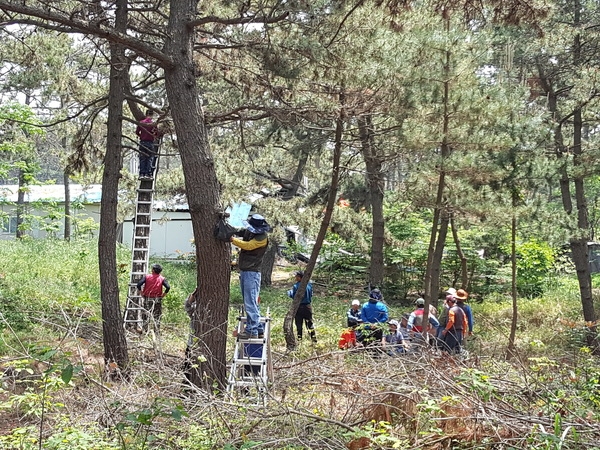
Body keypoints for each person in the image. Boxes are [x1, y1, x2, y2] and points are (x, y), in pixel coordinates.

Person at [230, 214, 271, 339]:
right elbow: (242, 232)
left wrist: (232, 239)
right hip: (247, 271)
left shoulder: (262, 238)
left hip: (252, 272)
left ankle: (252, 331)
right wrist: (231, 230)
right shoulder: (251, 231)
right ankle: (258, 329)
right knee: (251, 301)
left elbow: (247, 246)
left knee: (250, 302)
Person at [136, 263, 170, 330]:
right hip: (157, 298)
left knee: (146, 314)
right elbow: (168, 287)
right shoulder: (162, 278)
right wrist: (163, 295)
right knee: (157, 315)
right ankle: (156, 330)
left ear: (153, 270)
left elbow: (138, 284)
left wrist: (141, 292)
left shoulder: (147, 277)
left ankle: (145, 330)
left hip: (147, 298)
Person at [288, 271, 316, 343]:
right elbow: (311, 294)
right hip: (308, 307)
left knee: (299, 324)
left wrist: (289, 293)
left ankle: (299, 339)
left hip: (299, 307)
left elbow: (295, 296)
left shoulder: (296, 286)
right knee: (309, 323)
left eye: (297, 276)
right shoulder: (309, 285)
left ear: (300, 277)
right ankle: (313, 339)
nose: (295, 277)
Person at [136, 109, 159, 179]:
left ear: (146, 114)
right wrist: (152, 136)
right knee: (149, 158)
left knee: (142, 158)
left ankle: (142, 174)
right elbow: (156, 133)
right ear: (152, 115)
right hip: (150, 143)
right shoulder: (153, 124)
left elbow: (137, 132)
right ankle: (148, 174)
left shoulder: (141, 123)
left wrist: (142, 136)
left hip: (142, 142)